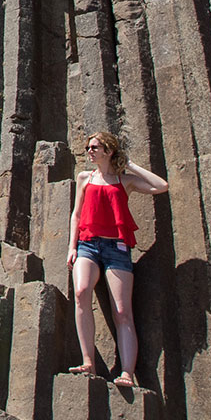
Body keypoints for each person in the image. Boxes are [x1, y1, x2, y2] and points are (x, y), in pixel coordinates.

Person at [65, 129, 169, 389]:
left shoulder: (125, 181)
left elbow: (161, 186)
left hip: (117, 248)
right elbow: (76, 215)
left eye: (95, 147)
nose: (90, 151)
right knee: (81, 292)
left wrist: (129, 162)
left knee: (122, 311)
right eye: (89, 147)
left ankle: (126, 372)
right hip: (87, 245)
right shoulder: (84, 178)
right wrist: (72, 246)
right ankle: (88, 361)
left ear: (109, 151)